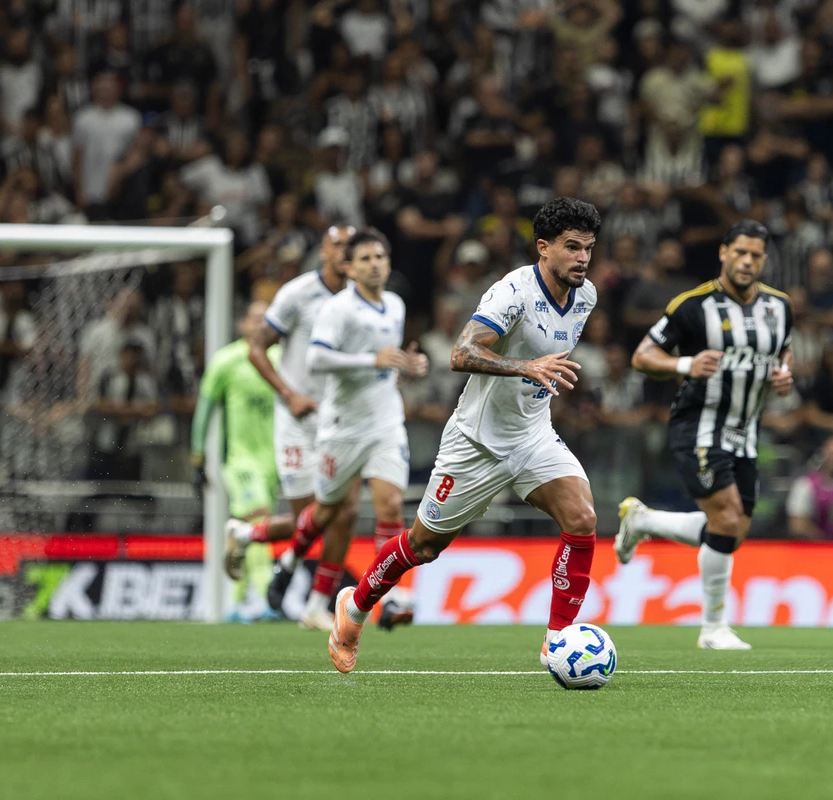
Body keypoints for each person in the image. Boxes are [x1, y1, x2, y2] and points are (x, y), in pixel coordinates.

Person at [325, 197, 602, 674]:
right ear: (543, 248)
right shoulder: (511, 292)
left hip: (532, 437)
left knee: (581, 518)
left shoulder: (587, 296)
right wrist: (524, 367)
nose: (582, 258)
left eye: (588, 249)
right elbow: (461, 352)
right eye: (572, 247)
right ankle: (354, 606)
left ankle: (558, 640)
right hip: (476, 444)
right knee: (423, 546)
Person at [614, 220, 794, 650]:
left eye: (756, 255)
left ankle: (644, 520)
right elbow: (642, 355)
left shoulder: (780, 306)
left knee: (733, 530)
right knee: (727, 518)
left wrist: (785, 374)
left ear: (763, 260)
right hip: (698, 424)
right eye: (740, 253)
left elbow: (783, 350)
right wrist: (684, 365)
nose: (748, 262)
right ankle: (713, 629)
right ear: (723, 253)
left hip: (746, 431)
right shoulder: (692, 306)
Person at [267, 228, 427, 638]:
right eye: (366, 258)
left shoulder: (395, 304)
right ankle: (288, 561)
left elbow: (387, 362)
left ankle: (386, 596)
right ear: (349, 267)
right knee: (325, 512)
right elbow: (317, 359)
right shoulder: (338, 309)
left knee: (390, 505)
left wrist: (407, 365)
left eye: (380, 256)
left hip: (385, 421)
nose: (375, 264)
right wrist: (370, 359)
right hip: (341, 426)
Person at [224, 225, 368, 632]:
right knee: (312, 516)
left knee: (348, 513)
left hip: (342, 421)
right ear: (323, 251)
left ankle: (317, 606)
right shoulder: (297, 294)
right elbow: (256, 347)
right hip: (298, 420)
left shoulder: (365, 301)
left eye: (351, 247)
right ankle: (248, 534)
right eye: (337, 245)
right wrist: (288, 394)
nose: (345, 252)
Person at [191, 301, 281, 622]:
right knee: (259, 519)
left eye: (265, 320)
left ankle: (238, 604)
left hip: (275, 461)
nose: (259, 325)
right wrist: (197, 455)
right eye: (254, 318)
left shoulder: (281, 359)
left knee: (252, 529)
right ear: (243, 324)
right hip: (241, 460)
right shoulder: (226, 360)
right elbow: (205, 408)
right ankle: (270, 594)